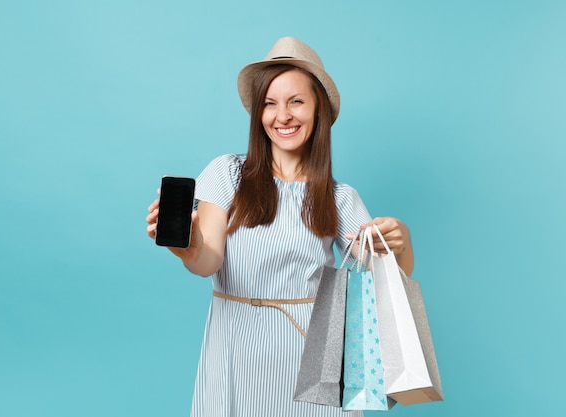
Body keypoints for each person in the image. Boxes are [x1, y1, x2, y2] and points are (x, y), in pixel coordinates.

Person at [146, 36, 414, 417]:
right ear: (258, 113)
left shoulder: (339, 197)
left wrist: (401, 242)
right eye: (269, 103)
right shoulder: (226, 174)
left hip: (312, 362)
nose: (282, 116)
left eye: (296, 102)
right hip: (235, 354)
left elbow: (389, 279)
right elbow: (207, 262)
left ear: (318, 109)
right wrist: (184, 247)